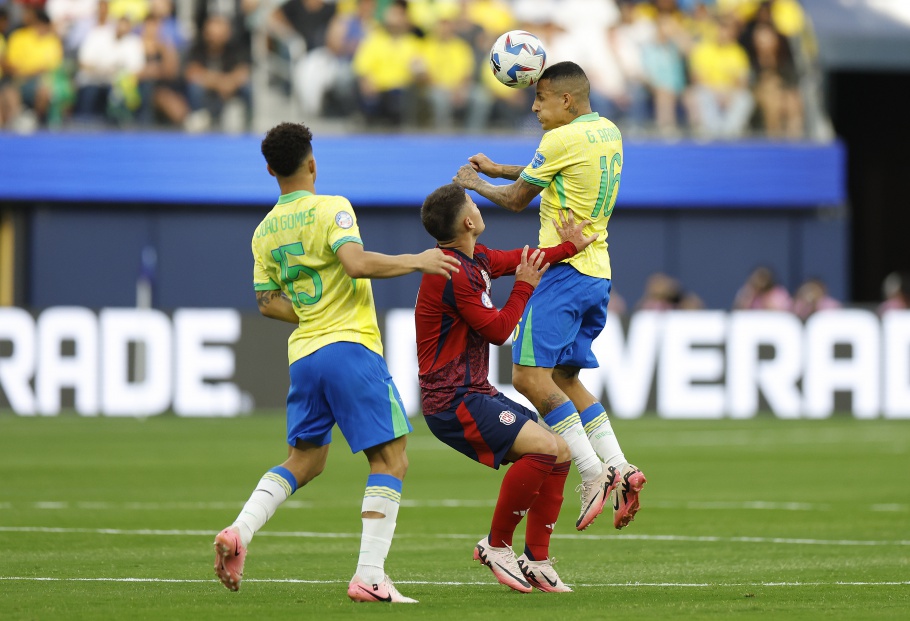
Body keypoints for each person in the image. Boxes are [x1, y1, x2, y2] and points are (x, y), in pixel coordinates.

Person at [212, 122, 460, 603]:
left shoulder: (263, 232)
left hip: (305, 355)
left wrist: (310, 309)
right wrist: (418, 260)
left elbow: (266, 302)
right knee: (391, 459)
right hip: (350, 346)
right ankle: (369, 575)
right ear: (312, 163)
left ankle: (240, 530)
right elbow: (357, 263)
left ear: (269, 170)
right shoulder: (332, 208)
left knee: (305, 460)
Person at [453, 61, 647, 532]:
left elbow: (520, 199)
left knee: (526, 377)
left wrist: (477, 184)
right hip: (597, 272)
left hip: (561, 273)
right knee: (563, 377)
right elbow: (552, 171)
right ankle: (620, 466)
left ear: (565, 100)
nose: (534, 107)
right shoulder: (607, 131)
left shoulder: (557, 140)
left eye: (539, 99)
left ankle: (592, 473)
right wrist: (501, 168)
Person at [416, 183, 597, 592]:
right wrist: (524, 286)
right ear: (467, 221)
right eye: (473, 204)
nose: (478, 208)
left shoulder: (473, 258)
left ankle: (537, 558)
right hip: (451, 400)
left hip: (473, 391)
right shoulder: (449, 273)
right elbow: (499, 331)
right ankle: (496, 546)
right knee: (545, 447)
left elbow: (522, 259)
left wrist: (569, 248)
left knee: (560, 449)